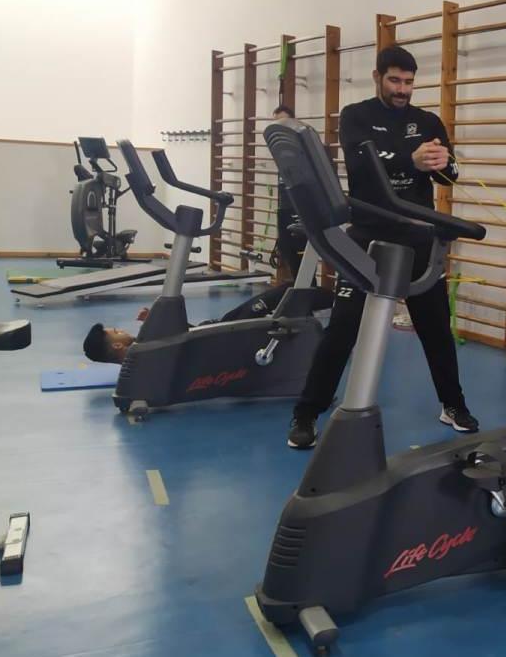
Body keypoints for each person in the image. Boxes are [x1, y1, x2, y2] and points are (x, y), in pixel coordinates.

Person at [286, 45, 478, 450]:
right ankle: (306, 412)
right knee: (342, 330)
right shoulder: (357, 116)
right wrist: (411, 160)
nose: (402, 89)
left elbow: (450, 176)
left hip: (419, 239)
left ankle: (453, 404)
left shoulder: (428, 121)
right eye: (395, 80)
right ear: (378, 78)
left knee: (437, 331)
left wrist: (444, 162)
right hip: (369, 238)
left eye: (409, 82)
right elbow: (360, 167)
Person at [82, 283, 333, 364]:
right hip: (222, 334)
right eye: (115, 332)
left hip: (216, 328)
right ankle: (339, 303)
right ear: (116, 347)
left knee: (286, 294)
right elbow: (187, 343)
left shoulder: (142, 348)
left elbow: (183, 336)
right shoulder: (143, 353)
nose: (120, 329)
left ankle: (329, 304)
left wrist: (156, 321)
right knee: (284, 293)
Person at [271, 104, 310, 282]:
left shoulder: (305, 146)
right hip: (284, 209)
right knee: (286, 250)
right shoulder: (280, 149)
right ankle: (298, 291)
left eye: (283, 122)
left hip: (301, 210)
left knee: (302, 256)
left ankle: (307, 293)